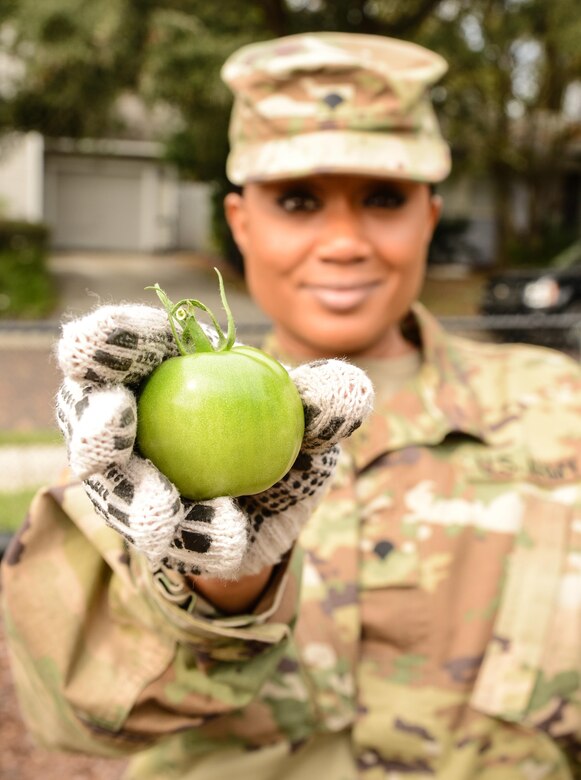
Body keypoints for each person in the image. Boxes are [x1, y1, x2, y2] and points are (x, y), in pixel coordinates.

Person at [2, 31, 580, 780]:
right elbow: (72, 718)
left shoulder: (559, 410)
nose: (343, 242)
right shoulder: (134, 436)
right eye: (298, 201)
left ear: (429, 218)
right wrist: (217, 582)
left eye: (382, 198)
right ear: (241, 223)